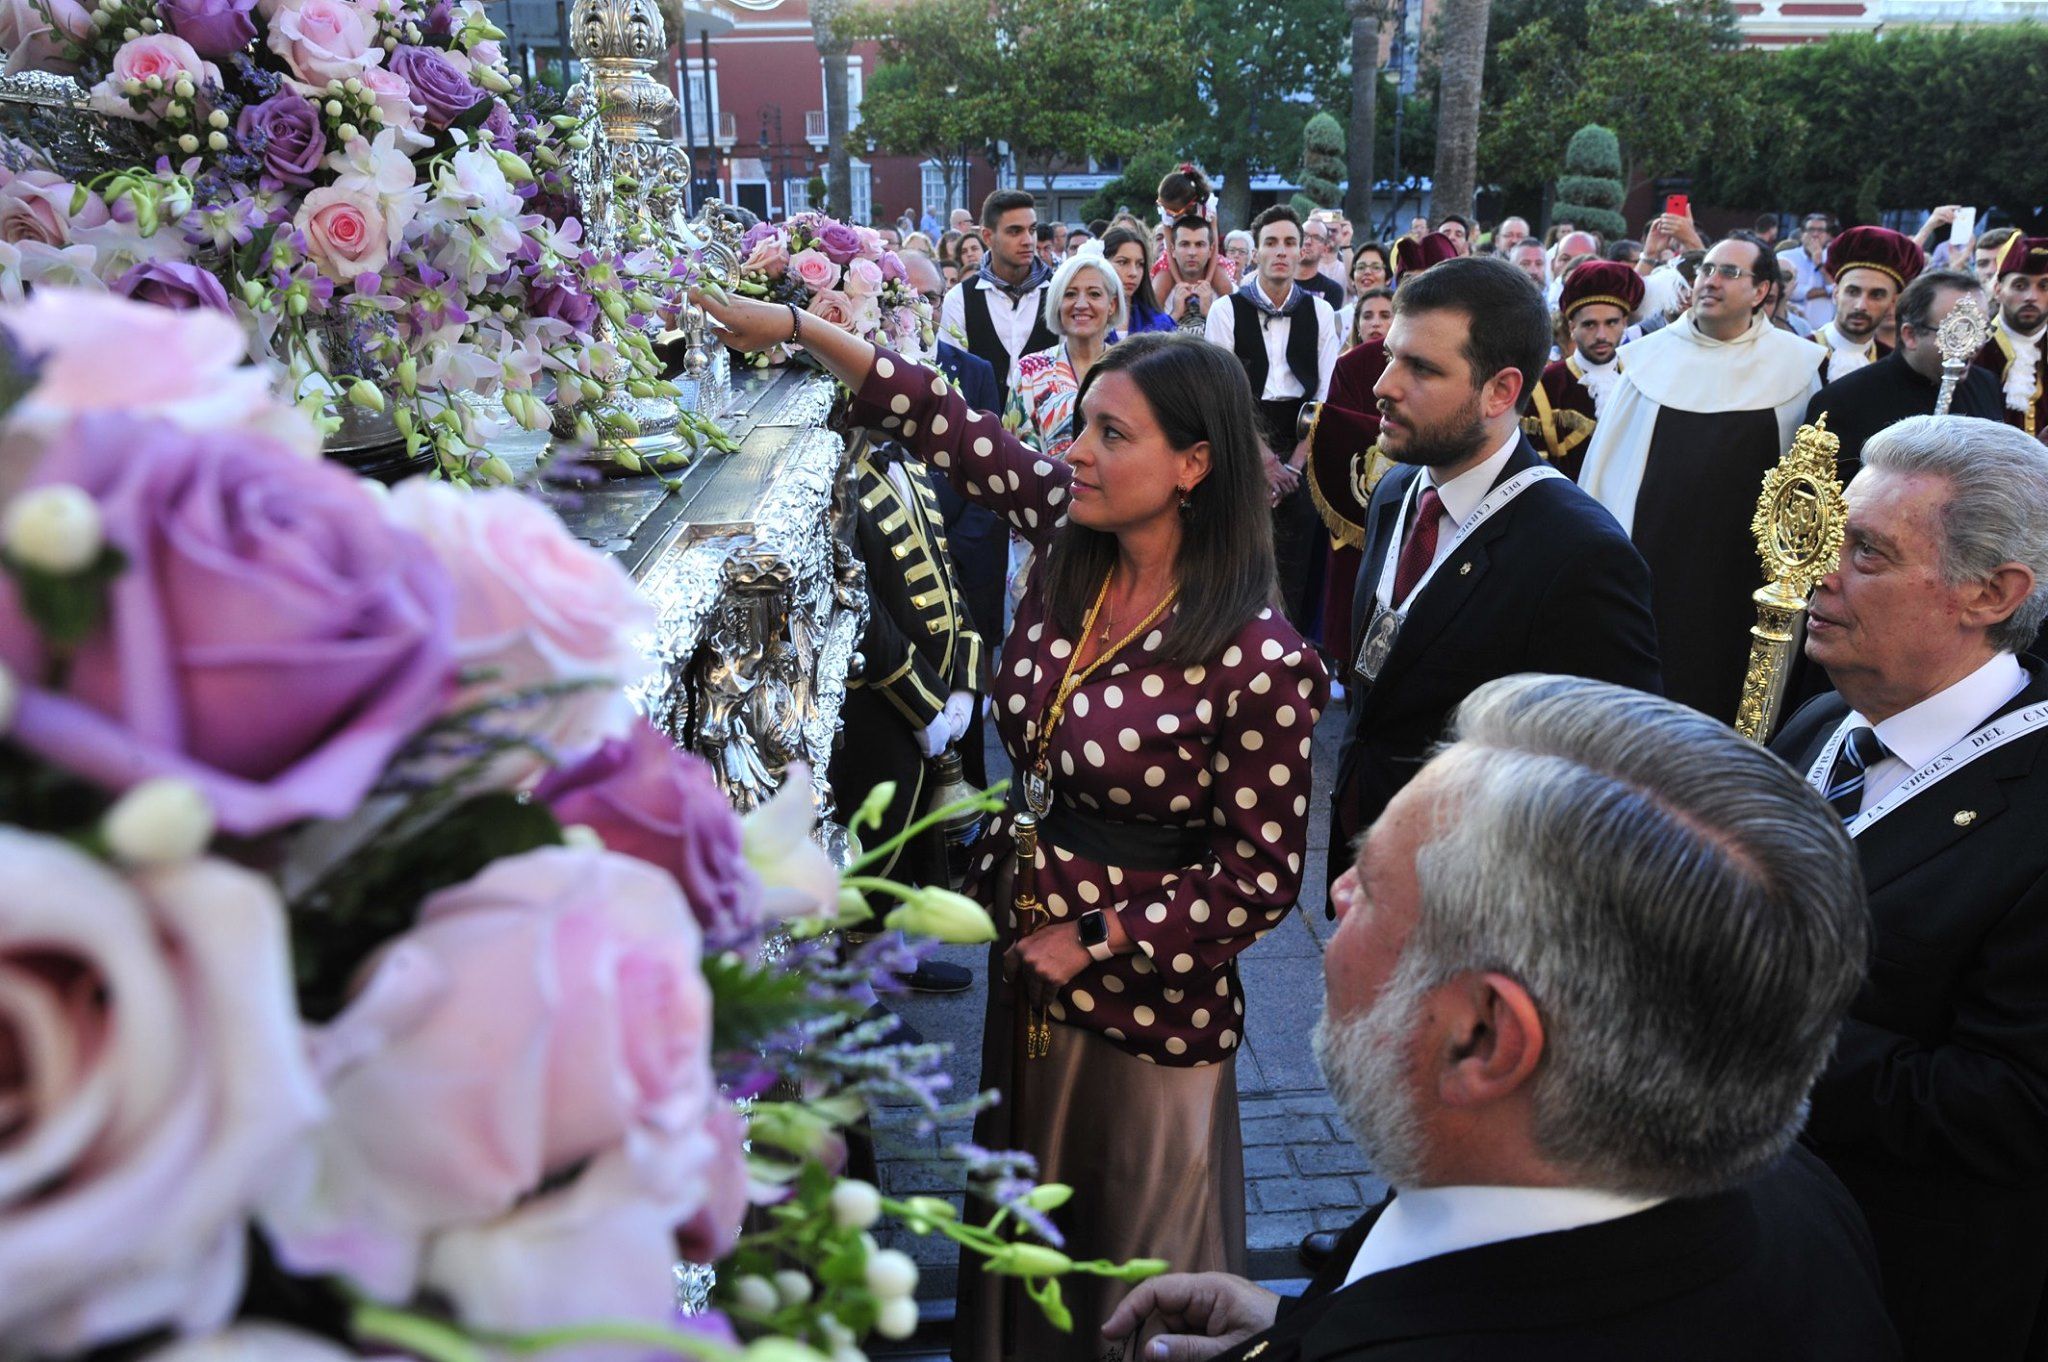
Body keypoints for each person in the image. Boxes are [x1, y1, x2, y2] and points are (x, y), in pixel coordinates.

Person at [697, 286, 1328, 1358]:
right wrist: (799, 329)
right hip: (1027, 972)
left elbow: (1259, 882)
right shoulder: (1074, 538)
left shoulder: (1259, 658)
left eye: (1108, 433)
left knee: (1121, 1261)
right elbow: (944, 419)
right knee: (1022, 1219)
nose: (1073, 450)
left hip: (1145, 1014)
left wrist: (1092, 939)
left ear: (1193, 465)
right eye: (1079, 422)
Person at [1107, 674, 1897, 1362]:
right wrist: (1300, 1322)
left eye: (1372, 886)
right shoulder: (1798, 1200)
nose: (1338, 897)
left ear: (1484, 1037)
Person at [1772, 417, 2048, 1359]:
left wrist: (1742, 1026)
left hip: (1908, 1292)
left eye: (1868, 555)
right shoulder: (1820, 721)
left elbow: (2012, 1104)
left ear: (1991, 593)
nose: (1820, 575)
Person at [1322, 255, 1660, 904]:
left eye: (1421, 367)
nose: (1384, 385)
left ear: (1501, 391)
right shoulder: (1396, 489)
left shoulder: (1580, 553)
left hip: (1476, 907)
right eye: (1392, 356)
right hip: (1364, 871)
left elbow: (1613, 784)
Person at [1578, 231, 1824, 722]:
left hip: (1742, 576)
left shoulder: (1797, 366)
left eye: (1729, 272)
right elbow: (1607, 473)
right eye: (1706, 269)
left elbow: (1805, 488)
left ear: (1761, 291)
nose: (1710, 280)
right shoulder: (1648, 360)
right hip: (1652, 565)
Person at [1204, 204, 1342, 637]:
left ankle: (1292, 656)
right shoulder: (1226, 311)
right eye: (1271, 243)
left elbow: (1326, 394)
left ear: (1302, 250)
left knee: (1297, 557)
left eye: (1288, 242)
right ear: (1255, 253)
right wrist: (1263, 461)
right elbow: (1223, 390)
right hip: (1242, 439)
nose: (1280, 252)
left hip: (1304, 444)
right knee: (1243, 555)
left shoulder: (1320, 313)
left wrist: (1294, 466)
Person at [1805, 268, 2003, 475]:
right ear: (1910, 335)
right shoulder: (1842, 402)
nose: (1972, 345)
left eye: (1980, 331)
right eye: (1958, 332)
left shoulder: (1986, 385)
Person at [1524, 260, 1642, 480]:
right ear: (1571, 327)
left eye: (1611, 323)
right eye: (1590, 324)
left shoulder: (1640, 379)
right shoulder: (1545, 387)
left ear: (1625, 322)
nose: (1601, 335)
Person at [940, 188, 1054, 412]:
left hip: (1049, 435)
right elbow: (952, 381)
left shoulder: (1060, 292)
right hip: (982, 436)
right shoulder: (960, 298)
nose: (1028, 240)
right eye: (1015, 231)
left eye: (1032, 230)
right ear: (988, 237)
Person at [1012, 245, 1125, 460]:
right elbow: (1014, 456)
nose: (1081, 304)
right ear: (1057, 303)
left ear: (1112, 305)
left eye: (1094, 294)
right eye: (1070, 294)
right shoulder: (1030, 371)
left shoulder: (1132, 368)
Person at [1810, 226, 1924, 383]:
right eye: (1852, 291)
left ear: (1893, 301)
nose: (1861, 305)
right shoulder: (1799, 353)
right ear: (1836, 293)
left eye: (1876, 295)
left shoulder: (1895, 364)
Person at [1969, 233, 2048, 442]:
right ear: (1998, 289)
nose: (2031, 296)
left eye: (2044, 286)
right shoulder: (1973, 351)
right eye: (2020, 285)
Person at [1103, 225, 1177, 337]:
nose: (1133, 273)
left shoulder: (1161, 325)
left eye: (1139, 264)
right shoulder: (1086, 320)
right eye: (1123, 262)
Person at [1158, 215, 1225, 334]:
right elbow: (1148, 341)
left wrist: (1209, 312)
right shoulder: (1160, 287)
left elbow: (1237, 340)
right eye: (1184, 244)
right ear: (1172, 250)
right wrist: (1175, 314)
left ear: (1211, 250)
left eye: (1199, 245)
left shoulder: (1225, 289)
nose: (1192, 252)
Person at [1788, 212, 1836, 330]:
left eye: (1820, 230)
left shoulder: (1834, 259)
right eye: (1810, 230)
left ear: (1827, 235)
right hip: (1791, 327)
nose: (1815, 234)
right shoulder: (1786, 257)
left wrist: (1820, 265)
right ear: (1802, 234)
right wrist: (1827, 291)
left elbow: (1838, 292)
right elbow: (1790, 292)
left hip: (1823, 330)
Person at [1295, 217, 1347, 309]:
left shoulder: (1333, 290)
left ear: (1325, 249)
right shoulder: (1277, 280)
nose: (1308, 242)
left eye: (1316, 238)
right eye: (1304, 235)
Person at [1344, 287, 1392, 351]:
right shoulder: (1344, 360)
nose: (1375, 323)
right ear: (1358, 325)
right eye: (1367, 316)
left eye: (1385, 316)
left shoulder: (1409, 360)